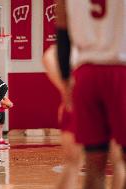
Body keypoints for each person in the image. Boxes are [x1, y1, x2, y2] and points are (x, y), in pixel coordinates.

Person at [55, 1, 126, 188]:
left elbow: (62, 33)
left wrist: (65, 79)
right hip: (121, 68)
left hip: (85, 75)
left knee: (94, 163)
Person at [43, 45, 125, 189]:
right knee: (118, 162)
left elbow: (48, 57)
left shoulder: (78, 39)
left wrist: (65, 89)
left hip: (82, 91)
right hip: (111, 89)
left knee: (73, 163)